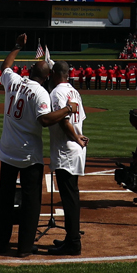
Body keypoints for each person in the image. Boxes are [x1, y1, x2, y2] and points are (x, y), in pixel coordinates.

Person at [0, 34, 76, 257]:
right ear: (47, 76)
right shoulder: (40, 92)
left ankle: (0, 242)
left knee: (5, 199)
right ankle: (23, 247)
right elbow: (45, 120)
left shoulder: (13, 80)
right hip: (28, 154)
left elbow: (6, 66)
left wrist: (17, 46)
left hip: (7, 150)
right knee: (31, 202)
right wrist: (68, 110)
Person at [46, 61, 88, 256]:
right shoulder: (74, 91)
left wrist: (75, 137)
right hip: (75, 149)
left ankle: (73, 242)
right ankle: (71, 238)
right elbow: (80, 118)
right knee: (71, 195)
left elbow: (63, 121)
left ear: (55, 74)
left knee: (69, 198)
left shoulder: (56, 93)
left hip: (67, 148)